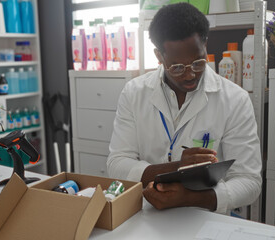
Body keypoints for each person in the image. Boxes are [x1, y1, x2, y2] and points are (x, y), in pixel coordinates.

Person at [107, 3, 262, 214]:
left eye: (198, 63)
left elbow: (250, 181)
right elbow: (117, 163)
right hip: (146, 212)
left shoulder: (235, 99)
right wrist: (176, 167)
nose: (189, 75)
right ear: (159, 56)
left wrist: (193, 198)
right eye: (177, 67)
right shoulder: (134, 93)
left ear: (205, 45)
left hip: (206, 217)